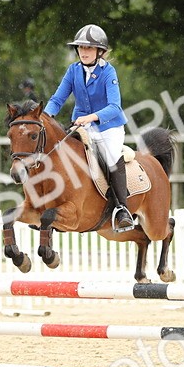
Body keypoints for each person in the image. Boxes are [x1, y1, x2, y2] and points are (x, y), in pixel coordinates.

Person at [43, 24, 135, 231]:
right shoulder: (73, 70)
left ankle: (122, 209)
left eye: (89, 48)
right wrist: (44, 117)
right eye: (81, 48)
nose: (84, 52)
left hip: (108, 127)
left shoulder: (108, 72)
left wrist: (91, 117)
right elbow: (58, 99)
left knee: (111, 157)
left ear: (99, 51)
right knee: (61, 153)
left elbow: (114, 107)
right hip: (82, 126)